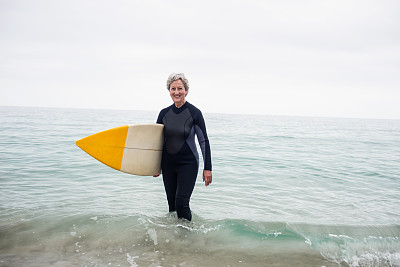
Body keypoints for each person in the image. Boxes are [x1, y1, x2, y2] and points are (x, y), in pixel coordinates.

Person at [154, 73, 212, 221]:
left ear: (186, 90)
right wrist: (154, 166)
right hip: (168, 164)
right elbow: (157, 142)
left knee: (182, 203)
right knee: (172, 206)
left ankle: (187, 237)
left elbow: (203, 141)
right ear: (169, 91)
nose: (176, 92)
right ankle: (175, 239)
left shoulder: (194, 113)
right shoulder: (163, 114)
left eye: (180, 88)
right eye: (173, 88)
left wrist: (208, 168)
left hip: (188, 163)